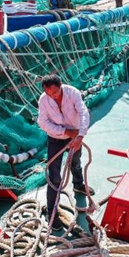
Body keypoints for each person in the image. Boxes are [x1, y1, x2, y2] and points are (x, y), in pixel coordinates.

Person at [37, 74, 94, 230]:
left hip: (76, 135)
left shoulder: (73, 93)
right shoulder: (44, 100)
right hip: (56, 138)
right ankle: (52, 214)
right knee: (54, 177)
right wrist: (64, 131)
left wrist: (80, 135)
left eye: (54, 93)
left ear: (60, 86)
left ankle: (78, 185)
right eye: (49, 94)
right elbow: (42, 122)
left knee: (76, 162)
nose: (52, 97)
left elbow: (83, 112)